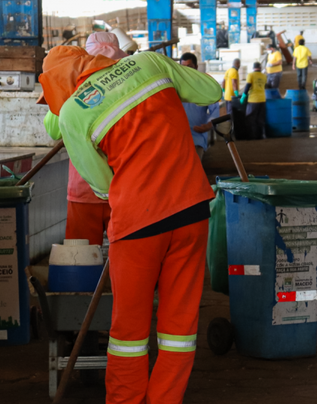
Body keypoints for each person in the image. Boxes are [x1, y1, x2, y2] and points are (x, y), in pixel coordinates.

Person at [39, 46, 222, 404]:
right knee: (179, 329)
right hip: (192, 210)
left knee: (129, 334)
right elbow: (211, 93)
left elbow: (101, 186)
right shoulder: (148, 62)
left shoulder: (73, 113)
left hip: (138, 224)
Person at [41, 32, 128, 245]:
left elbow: (53, 130)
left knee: (81, 257)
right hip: (125, 185)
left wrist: (64, 90)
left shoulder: (72, 87)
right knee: (129, 254)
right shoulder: (127, 83)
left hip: (85, 186)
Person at [179, 52, 219, 161]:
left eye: (189, 67)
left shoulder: (204, 86)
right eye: (183, 67)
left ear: (196, 67)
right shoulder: (175, 86)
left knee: (195, 168)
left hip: (197, 136)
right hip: (179, 137)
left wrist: (209, 124)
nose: (186, 70)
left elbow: (214, 108)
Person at [240, 61, 267, 139]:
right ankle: (260, 135)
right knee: (260, 118)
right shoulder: (264, 76)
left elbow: (248, 85)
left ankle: (252, 136)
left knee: (251, 118)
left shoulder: (250, 75)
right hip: (262, 99)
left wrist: (243, 96)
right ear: (260, 68)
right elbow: (264, 86)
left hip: (253, 100)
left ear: (253, 68)